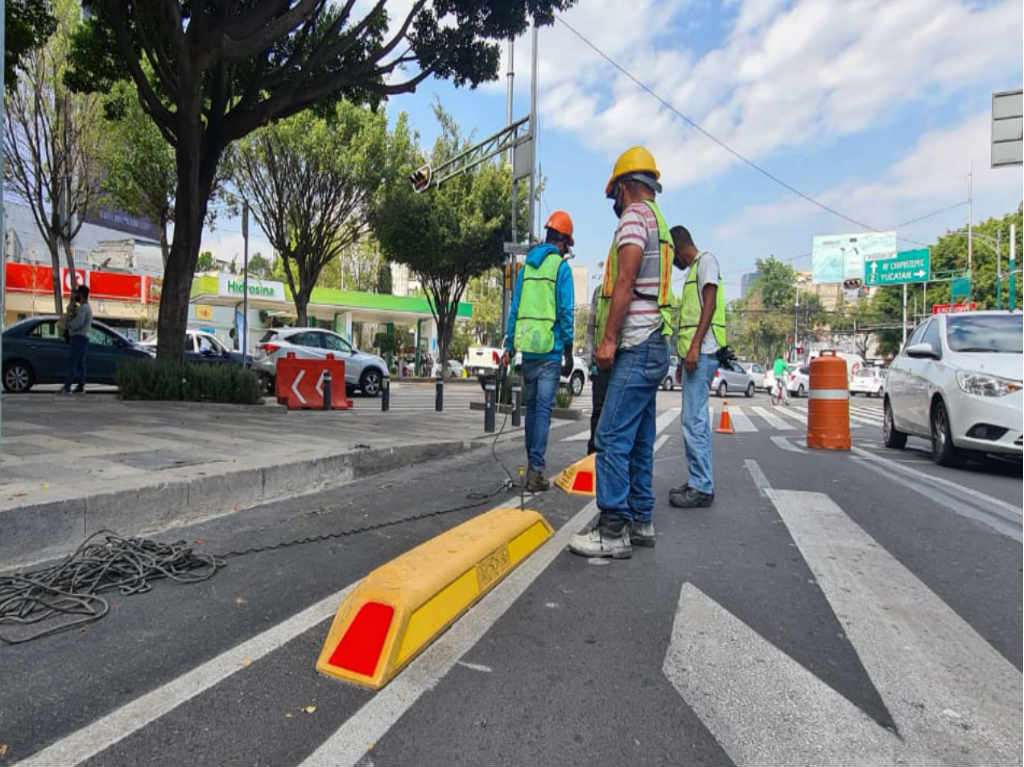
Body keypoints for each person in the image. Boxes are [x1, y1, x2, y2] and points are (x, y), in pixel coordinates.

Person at [569, 147, 672, 559]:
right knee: (640, 438)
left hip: (637, 342)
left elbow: (625, 282)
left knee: (610, 435)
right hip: (656, 343)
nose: (613, 203)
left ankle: (613, 530)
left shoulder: (635, 216)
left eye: (613, 193)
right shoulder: (660, 222)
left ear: (626, 186)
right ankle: (640, 520)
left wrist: (608, 340)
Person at [503, 210, 575, 492]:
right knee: (542, 411)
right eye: (567, 245)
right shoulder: (561, 268)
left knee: (531, 410)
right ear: (563, 241)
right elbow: (566, 311)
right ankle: (536, 470)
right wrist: (568, 349)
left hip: (528, 350)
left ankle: (532, 466)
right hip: (550, 349)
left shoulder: (526, 268)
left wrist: (509, 346)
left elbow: (515, 309)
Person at [668, 226, 725, 509]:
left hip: (702, 353)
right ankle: (697, 480)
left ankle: (702, 486)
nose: (673, 263)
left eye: (672, 255)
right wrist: (683, 358)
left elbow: (710, 305)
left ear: (679, 247)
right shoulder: (694, 270)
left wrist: (694, 347)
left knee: (694, 420)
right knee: (691, 419)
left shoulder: (706, 262)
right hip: (695, 355)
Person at [584, 282, 608, 456]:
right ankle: (593, 454)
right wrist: (589, 357)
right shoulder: (599, 291)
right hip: (600, 362)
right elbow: (591, 326)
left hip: (621, 360)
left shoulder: (630, 284)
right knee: (598, 411)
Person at [61, 285, 93, 394]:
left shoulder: (84, 308)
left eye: (77, 294)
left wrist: (69, 324)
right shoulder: (85, 307)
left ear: (82, 295)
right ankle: (80, 386)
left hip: (78, 338)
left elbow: (78, 323)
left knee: (72, 363)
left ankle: (67, 387)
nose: (76, 296)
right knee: (80, 364)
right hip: (82, 338)